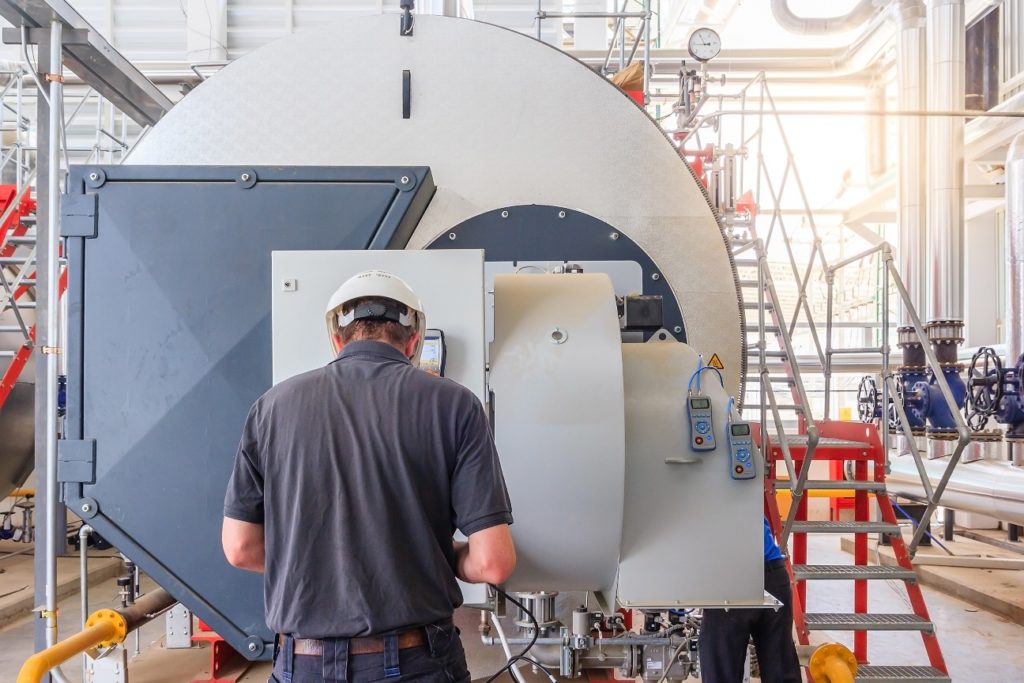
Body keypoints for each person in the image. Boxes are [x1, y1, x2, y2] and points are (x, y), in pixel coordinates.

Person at [222, 269, 516, 683]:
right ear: (414, 341)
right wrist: (425, 554)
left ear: (337, 340)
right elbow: (493, 563)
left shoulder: (271, 407)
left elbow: (239, 548)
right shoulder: (455, 405)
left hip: (301, 663)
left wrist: (318, 562)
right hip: (418, 663)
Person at [698, 518, 801, 683]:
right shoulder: (747, 496)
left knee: (720, 673)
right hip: (773, 572)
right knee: (781, 672)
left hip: (731, 578)